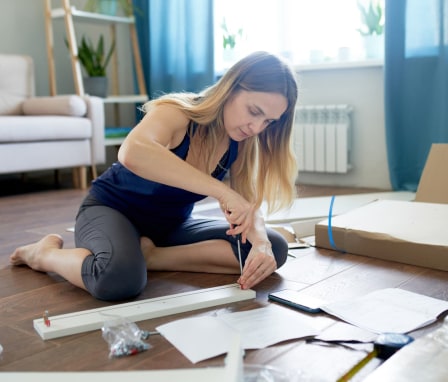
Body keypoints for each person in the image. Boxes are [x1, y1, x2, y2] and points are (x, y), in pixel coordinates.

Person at [10, 51, 299, 301]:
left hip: (170, 226)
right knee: (119, 279)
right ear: (231, 87)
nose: (257, 127)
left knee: (275, 249)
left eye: (268, 122)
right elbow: (132, 152)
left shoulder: (241, 142)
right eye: (254, 111)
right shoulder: (177, 112)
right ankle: (43, 254)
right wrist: (222, 191)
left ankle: (151, 256)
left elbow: (247, 207)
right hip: (111, 210)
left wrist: (259, 240)